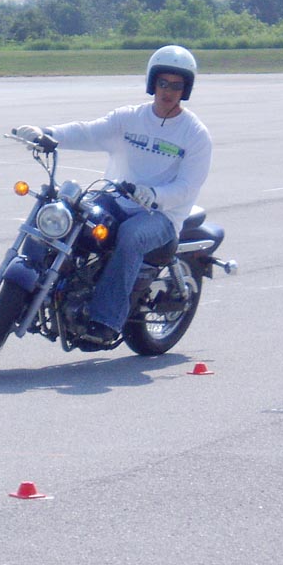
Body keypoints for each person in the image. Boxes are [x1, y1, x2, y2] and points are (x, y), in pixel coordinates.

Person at [13, 45, 212, 345]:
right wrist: (46, 133)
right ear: (152, 82)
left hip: (161, 215)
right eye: (163, 83)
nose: (168, 91)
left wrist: (153, 194)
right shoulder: (129, 118)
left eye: (176, 85)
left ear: (186, 89)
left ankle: (105, 321)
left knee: (131, 236)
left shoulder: (195, 134)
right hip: (115, 198)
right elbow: (88, 131)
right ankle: (28, 290)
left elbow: (187, 187)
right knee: (63, 212)